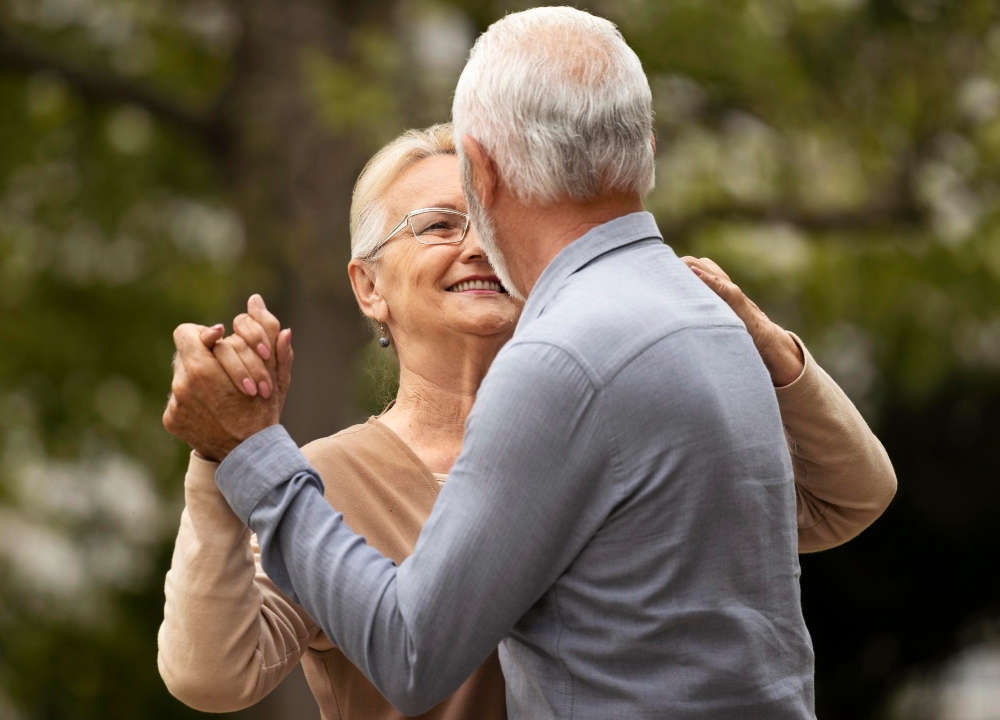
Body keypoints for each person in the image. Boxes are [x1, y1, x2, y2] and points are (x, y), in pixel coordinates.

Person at [163, 7, 885, 718]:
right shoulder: (330, 477)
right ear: (367, 285)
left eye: (479, 213)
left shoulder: (603, 398)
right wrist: (219, 454)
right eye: (440, 225)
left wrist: (769, 347)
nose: (478, 243)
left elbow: (848, 497)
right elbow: (214, 676)